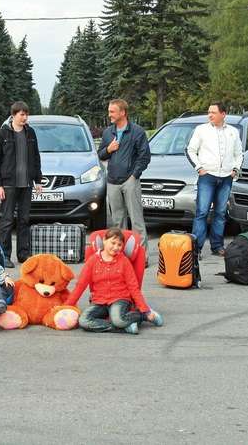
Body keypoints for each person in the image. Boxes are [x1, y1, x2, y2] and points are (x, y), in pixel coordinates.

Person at [65, 228, 163, 334]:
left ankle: (142, 316)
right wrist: (66, 306)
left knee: (118, 320)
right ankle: (124, 327)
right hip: (99, 301)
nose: (116, 247)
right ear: (104, 240)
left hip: (120, 299)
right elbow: (81, 285)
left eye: (119, 245)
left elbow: (133, 287)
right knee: (83, 321)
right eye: (113, 243)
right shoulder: (93, 260)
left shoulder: (124, 261)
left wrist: (145, 310)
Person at [186, 102, 243, 258]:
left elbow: (239, 153)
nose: (209, 115)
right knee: (202, 212)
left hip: (226, 178)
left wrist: (235, 170)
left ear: (223, 114)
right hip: (207, 176)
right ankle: (195, 248)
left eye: (213, 112)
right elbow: (190, 150)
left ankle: (217, 246)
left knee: (220, 213)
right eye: (209, 112)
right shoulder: (201, 130)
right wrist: (199, 168)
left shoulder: (233, 132)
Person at [0, 101, 43, 268]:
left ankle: (23, 254)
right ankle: (5, 255)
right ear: (13, 115)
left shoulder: (30, 133)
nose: (25, 117)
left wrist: (38, 180)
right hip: (8, 185)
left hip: (26, 185)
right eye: (21, 114)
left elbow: (36, 158)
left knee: (24, 220)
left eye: (26, 114)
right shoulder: (2, 134)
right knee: (6, 220)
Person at [98, 99, 151, 249]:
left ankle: (141, 255)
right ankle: (120, 253)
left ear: (123, 112)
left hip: (130, 181)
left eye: (112, 111)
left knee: (136, 220)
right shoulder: (108, 132)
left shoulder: (137, 132)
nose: (109, 115)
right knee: (117, 221)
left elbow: (145, 157)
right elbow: (100, 155)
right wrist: (109, 149)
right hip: (112, 181)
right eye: (109, 111)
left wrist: (134, 175)